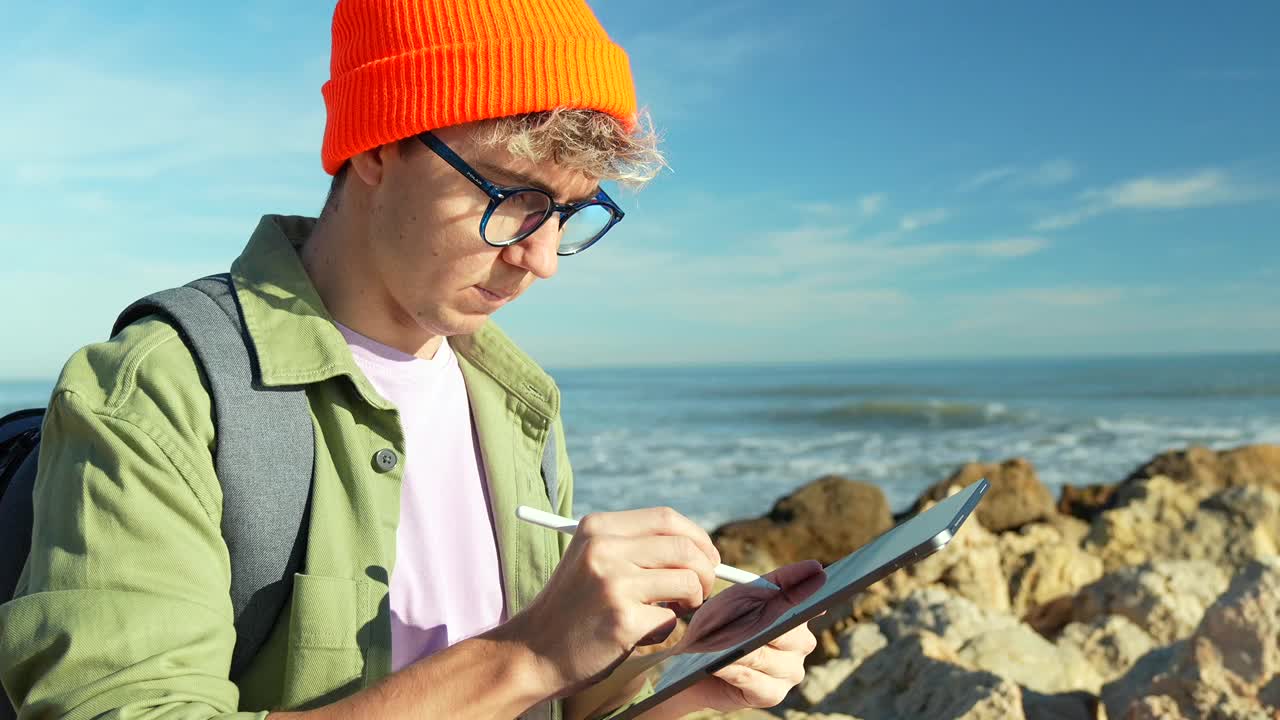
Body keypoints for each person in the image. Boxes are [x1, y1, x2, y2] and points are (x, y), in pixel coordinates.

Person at [0, 1, 826, 718]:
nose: (539, 259)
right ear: (377, 147)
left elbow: (544, 704)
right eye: (512, 198)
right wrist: (527, 654)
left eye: (570, 214)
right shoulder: (160, 390)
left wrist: (680, 675)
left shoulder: (515, 399)